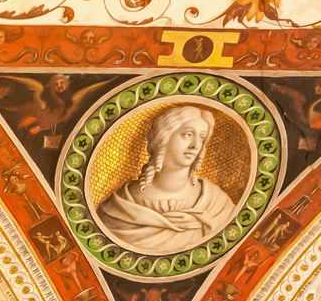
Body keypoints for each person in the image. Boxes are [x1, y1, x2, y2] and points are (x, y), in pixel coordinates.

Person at [96, 104, 238, 255]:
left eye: (202, 137)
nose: (195, 145)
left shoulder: (217, 203)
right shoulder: (119, 207)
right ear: (163, 138)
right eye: (188, 134)